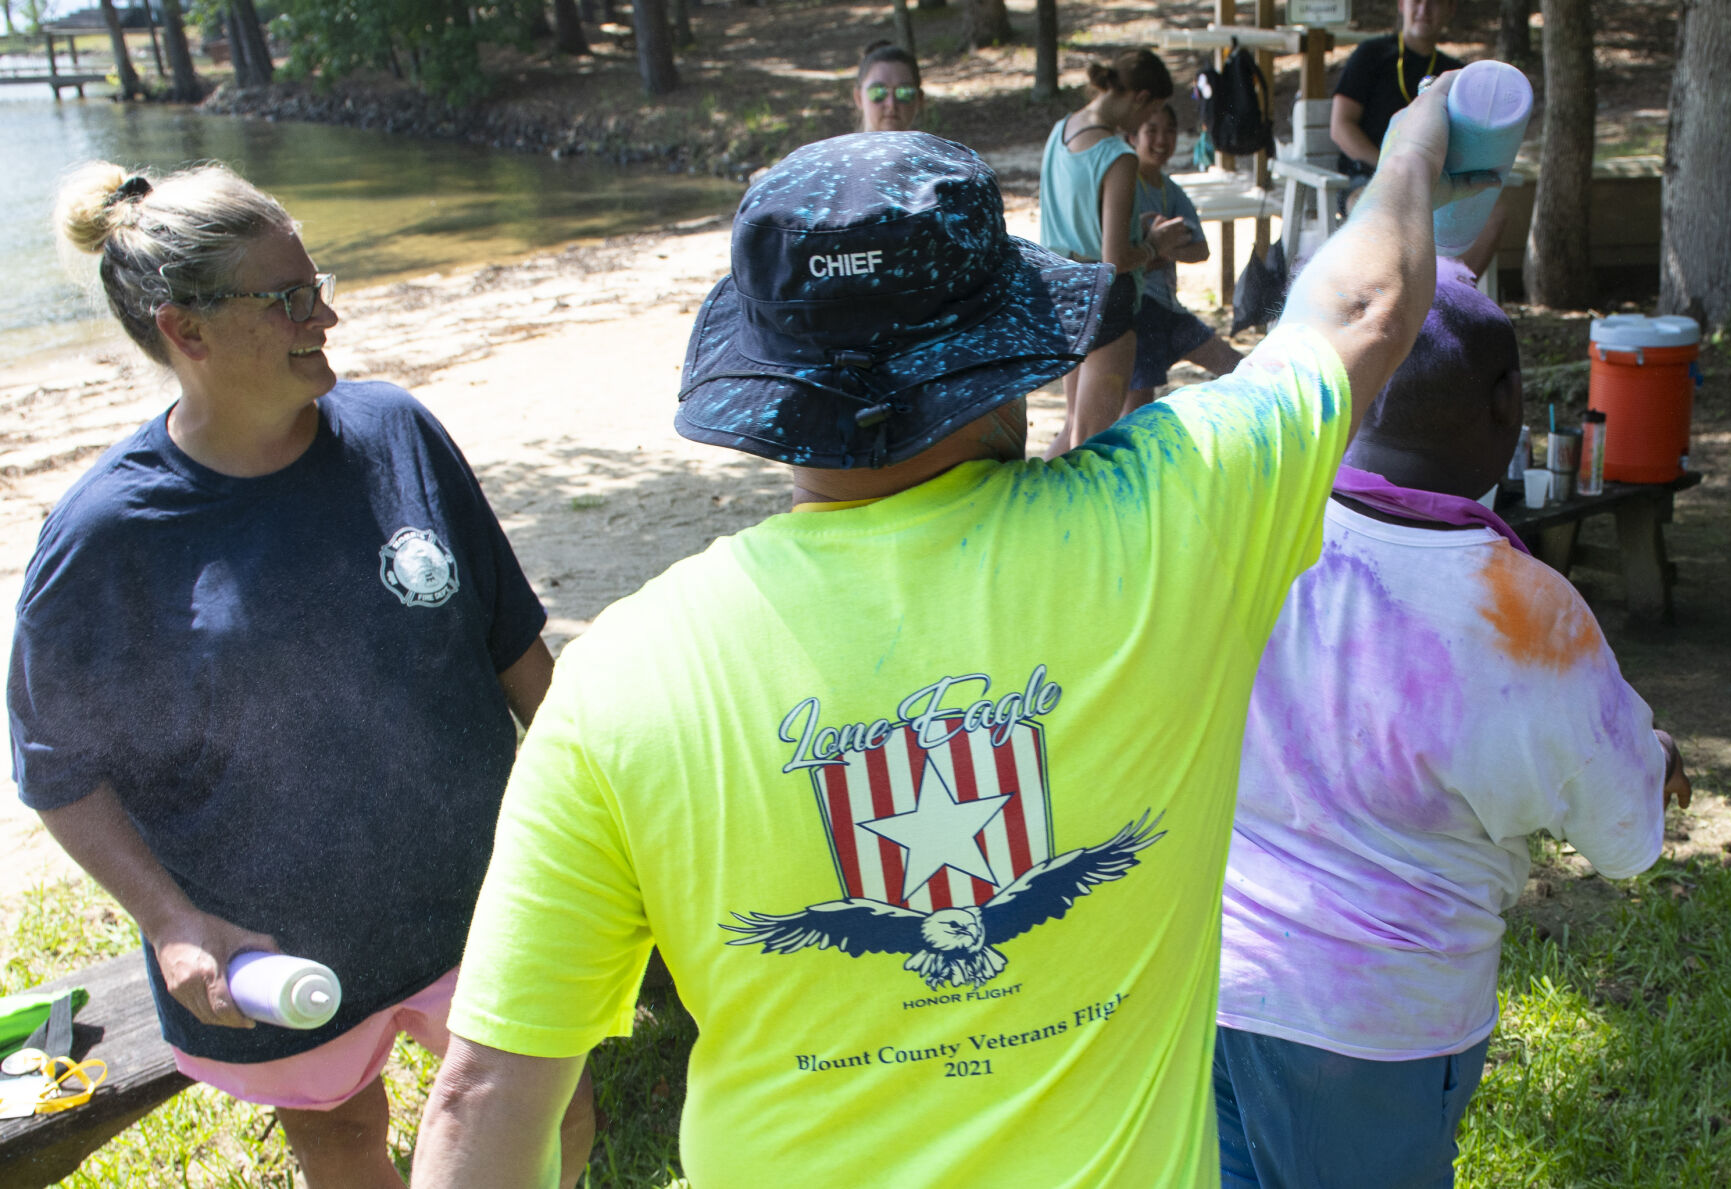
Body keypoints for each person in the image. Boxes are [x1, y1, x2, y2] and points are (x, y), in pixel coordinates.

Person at [410, 81, 1483, 1187]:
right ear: (1006, 351)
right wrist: (1407, 149)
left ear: (769, 381)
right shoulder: (1176, 521)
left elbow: (487, 1092)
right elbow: (1366, 309)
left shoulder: (617, 686)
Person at [6, 162, 593, 1188]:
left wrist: (594, 817)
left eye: (315, 283)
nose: (325, 313)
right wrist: (173, 922)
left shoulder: (395, 430)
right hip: (272, 944)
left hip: (484, 894)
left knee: (552, 1115)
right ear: (184, 330)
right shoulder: (105, 533)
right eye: (286, 299)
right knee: (338, 1139)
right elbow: (57, 767)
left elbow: (511, 643)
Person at [1213, 262, 1692, 1189]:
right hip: (1374, 1028)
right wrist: (1660, 755)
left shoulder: (1255, 534)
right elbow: (1627, 839)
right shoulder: (1532, 618)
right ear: (1509, 402)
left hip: (1209, 986)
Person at [1039, 48, 1188, 454]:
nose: (1145, 125)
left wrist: (1134, 228)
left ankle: (1031, 508)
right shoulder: (1117, 155)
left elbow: (1077, 221)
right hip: (1105, 301)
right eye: (1151, 112)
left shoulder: (1061, 131)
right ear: (1141, 99)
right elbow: (1115, 258)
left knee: (1073, 427)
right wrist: (1156, 243)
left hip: (1061, 292)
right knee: (1091, 442)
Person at [1331, 0, 1506, 276]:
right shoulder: (1372, 55)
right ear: (1402, 5)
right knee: (1385, 210)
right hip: (1369, 178)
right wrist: (1393, 168)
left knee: (1493, 214)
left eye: (1435, 3)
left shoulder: (1455, 74)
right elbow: (1341, 127)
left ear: (1450, 9)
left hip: (1438, 180)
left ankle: (1450, 299)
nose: (1424, 10)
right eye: (1416, 1)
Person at [1124, 102, 1242, 417]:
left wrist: (1163, 249)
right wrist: (1156, 249)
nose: (1162, 140)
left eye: (1170, 131)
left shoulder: (1170, 191)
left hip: (1168, 310)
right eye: (1152, 131)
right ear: (1132, 136)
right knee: (1136, 410)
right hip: (1136, 313)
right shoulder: (1122, 186)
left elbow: (1200, 249)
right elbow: (1117, 257)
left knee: (1239, 369)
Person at [854, 39, 925, 133]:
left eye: (904, 92)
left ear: (919, 99)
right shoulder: (836, 147)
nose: (891, 104)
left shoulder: (937, 147)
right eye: (878, 91)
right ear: (858, 97)